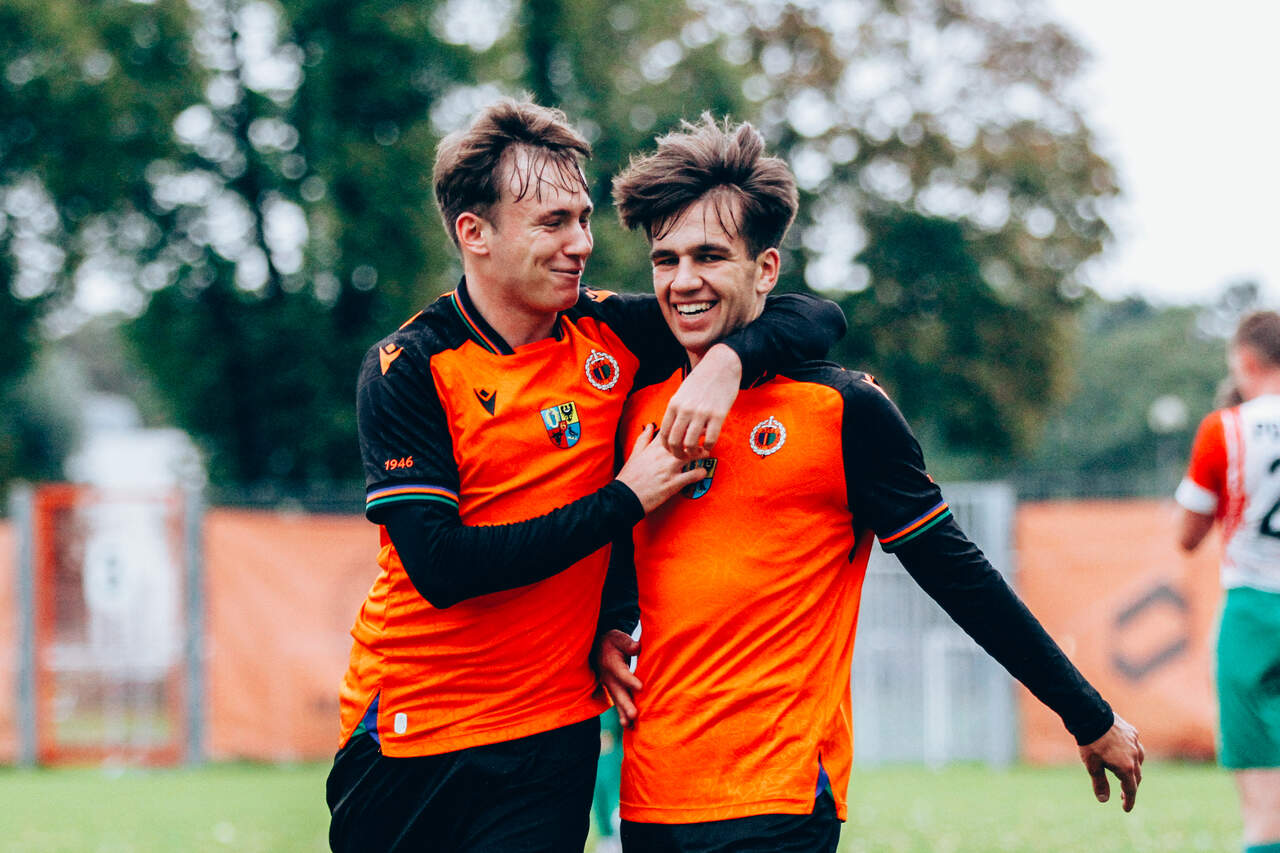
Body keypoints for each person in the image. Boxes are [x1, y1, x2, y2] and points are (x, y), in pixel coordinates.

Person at [594, 115, 1145, 852]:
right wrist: (611, 619)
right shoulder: (636, 406)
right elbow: (625, 548)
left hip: (780, 796)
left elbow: (960, 576)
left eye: (710, 256)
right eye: (665, 260)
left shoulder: (846, 410)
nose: (683, 280)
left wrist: (1087, 713)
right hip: (651, 798)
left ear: (765, 270)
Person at [324, 98, 846, 853]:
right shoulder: (408, 367)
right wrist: (625, 498)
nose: (581, 244)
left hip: (551, 736)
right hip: (413, 732)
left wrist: (727, 363)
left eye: (583, 218)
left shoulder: (608, 331)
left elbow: (812, 317)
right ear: (474, 233)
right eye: (552, 223)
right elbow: (443, 567)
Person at [1176, 310, 1280, 853]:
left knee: (1265, 814)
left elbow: (1187, 535)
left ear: (1245, 360)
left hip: (1253, 612)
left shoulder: (1225, 427)